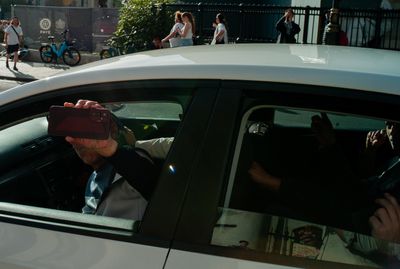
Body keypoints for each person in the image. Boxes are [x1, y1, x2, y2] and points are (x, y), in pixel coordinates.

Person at [64, 100, 173, 219]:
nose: (80, 141)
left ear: (113, 131)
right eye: (74, 134)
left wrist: (112, 150)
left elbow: (158, 190)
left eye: (89, 130)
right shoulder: (93, 178)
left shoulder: (135, 162)